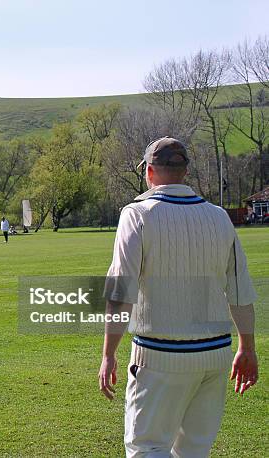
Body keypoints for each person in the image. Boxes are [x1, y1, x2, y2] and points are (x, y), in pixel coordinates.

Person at [99, 137, 258, 457]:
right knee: (193, 451)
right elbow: (240, 289)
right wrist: (247, 347)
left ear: (149, 172)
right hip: (214, 356)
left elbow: (121, 292)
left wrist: (108, 354)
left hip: (159, 356)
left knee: (147, 448)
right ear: (184, 172)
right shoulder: (219, 216)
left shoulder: (136, 214)